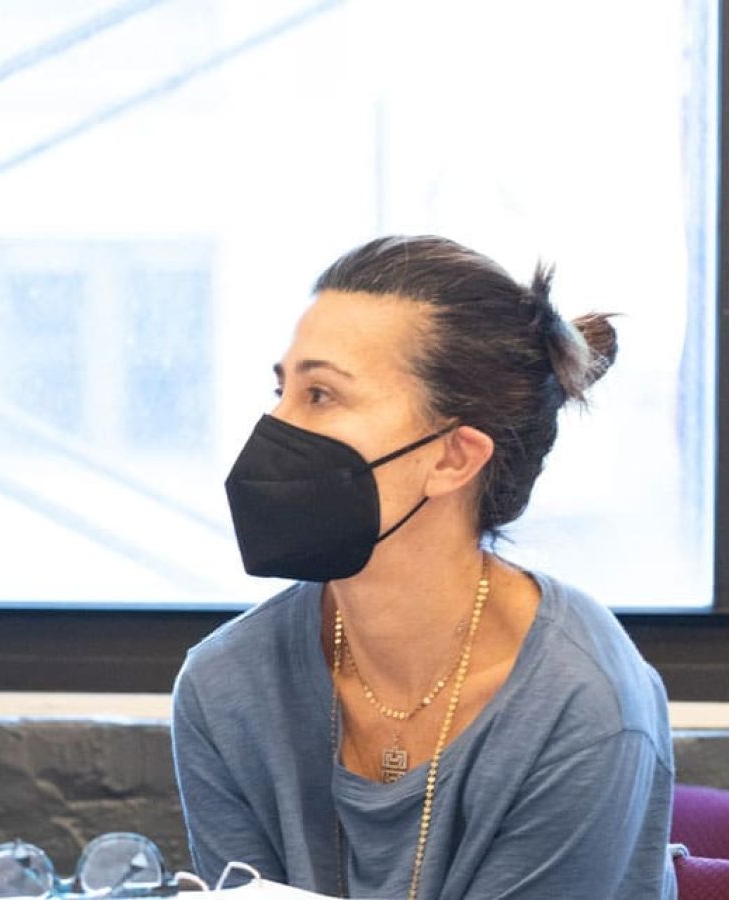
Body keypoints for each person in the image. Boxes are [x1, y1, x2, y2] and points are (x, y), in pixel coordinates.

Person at [172, 235, 675, 899]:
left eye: (320, 394)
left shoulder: (580, 704)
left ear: (453, 458)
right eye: (281, 389)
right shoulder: (225, 687)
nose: (274, 425)